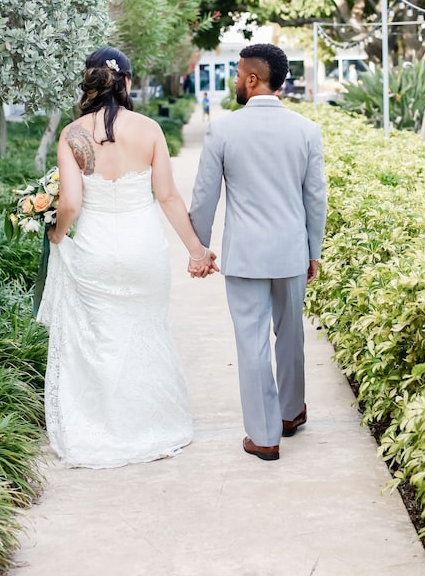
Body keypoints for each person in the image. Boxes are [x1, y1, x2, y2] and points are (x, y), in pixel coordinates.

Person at [37, 46, 218, 468]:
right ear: (127, 82)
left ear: (89, 83)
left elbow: (70, 205)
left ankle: (104, 427)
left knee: (99, 338)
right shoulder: (149, 129)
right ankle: (152, 424)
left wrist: (58, 235)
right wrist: (197, 251)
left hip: (95, 250)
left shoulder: (73, 135)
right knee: (146, 333)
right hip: (143, 248)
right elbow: (169, 196)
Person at [189, 43, 327, 462]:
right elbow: (315, 199)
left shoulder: (224, 130)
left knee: (252, 343)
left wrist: (200, 247)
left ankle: (265, 436)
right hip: (290, 251)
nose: (234, 81)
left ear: (252, 79)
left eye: (236, 74)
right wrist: (313, 251)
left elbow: (204, 196)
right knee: (291, 334)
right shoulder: (307, 130)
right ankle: (291, 413)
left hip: (245, 255)